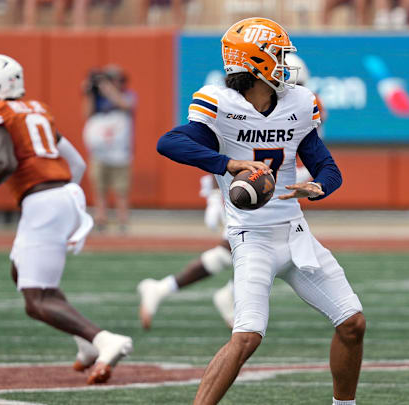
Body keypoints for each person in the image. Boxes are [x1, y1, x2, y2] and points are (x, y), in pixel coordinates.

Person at [156, 18, 365, 405]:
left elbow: (328, 167)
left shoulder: (300, 104)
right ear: (255, 62)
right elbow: (169, 143)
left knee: (352, 323)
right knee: (247, 336)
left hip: (295, 233)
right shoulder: (221, 104)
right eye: (279, 55)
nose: (287, 64)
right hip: (251, 237)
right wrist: (226, 164)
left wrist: (319, 186)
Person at [0, 53, 132, 385]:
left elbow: (3, 162)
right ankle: (85, 343)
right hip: (61, 195)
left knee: (36, 300)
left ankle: (105, 340)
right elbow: (76, 163)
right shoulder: (36, 110)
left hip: (45, 200)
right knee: (21, 271)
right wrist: (61, 199)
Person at [137, 174, 235, 330]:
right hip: (248, 194)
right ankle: (230, 294)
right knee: (250, 249)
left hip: (266, 195)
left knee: (235, 251)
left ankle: (161, 288)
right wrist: (215, 197)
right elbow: (222, 153)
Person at [82, 65, 136, 233]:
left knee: (121, 189)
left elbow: (125, 105)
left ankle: (122, 221)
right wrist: (90, 92)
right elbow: (86, 114)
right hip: (99, 153)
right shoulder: (97, 99)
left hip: (121, 153)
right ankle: (101, 219)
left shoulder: (128, 96)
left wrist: (108, 89)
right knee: (100, 188)